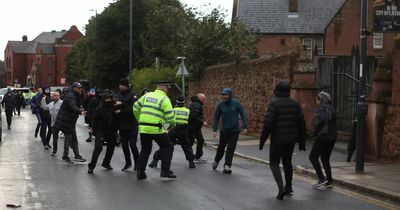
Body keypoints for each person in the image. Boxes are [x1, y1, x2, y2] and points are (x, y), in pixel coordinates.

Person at [259, 80, 306, 200]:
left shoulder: (273, 103)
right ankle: (289, 187)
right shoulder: (295, 104)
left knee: (274, 163)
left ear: (277, 91)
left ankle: (281, 189)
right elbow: (301, 123)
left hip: (278, 140)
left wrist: (262, 141)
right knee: (287, 163)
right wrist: (302, 142)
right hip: (291, 140)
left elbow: (268, 124)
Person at [133, 81, 177, 180]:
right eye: (168, 89)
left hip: (143, 128)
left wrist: (139, 119)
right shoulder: (164, 99)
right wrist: (174, 124)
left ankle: (140, 172)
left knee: (145, 149)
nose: (168, 91)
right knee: (168, 146)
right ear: (164, 88)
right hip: (156, 128)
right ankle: (165, 171)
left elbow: (135, 107)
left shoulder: (147, 95)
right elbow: (170, 116)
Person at [149, 96, 196, 169]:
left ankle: (154, 161)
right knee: (187, 147)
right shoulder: (188, 110)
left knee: (165, 146)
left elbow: (169, 119)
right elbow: (190, 121)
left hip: (174, 130)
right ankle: (191, 163)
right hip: (183, 131)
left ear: (177, 102)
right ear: (184, 103)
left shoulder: (173, 110)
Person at [212, 88, 247, 174]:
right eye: (223, 95)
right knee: (221, 147)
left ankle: (227, 166)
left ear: (230, 95)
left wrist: (245, 126)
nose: (224, 97)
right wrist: (214, 130)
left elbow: (243, 114)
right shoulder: (220, 105)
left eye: (226, 95)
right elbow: (216, 118)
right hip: (224, 131)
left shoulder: (236, 103)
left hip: (235, 130)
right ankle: (217, 160)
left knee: (231, 148)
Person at [309, 91, 337, 189]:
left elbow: (320, 121)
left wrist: (315, 133)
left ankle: (322, 178)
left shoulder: (321, 108)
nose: (316, 102)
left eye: (317, 99)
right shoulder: (331, 108)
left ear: (320, 99)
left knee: (312, 157)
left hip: (323, 136)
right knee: (325, 159)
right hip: (332, 138)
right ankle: (329, 181)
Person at [55, 82, 87, 164]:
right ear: (74, 88)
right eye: (79, 88)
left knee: (74, 138)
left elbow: (81, 101)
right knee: (68, 138)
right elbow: (72, 106)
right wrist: (80, 112)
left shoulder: (76, 94)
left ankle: (77, 156)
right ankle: (65, 156)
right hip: (65, 121)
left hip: (70, 121)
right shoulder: (70, 96)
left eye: (81, 88)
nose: (80, 89)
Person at [88, 92, 118, 174]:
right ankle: (91, 166)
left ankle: (106, 163)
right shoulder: (99, 109)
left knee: (111, 148)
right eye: (106, 99)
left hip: (112, 130)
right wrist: (92, 129)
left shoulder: (114, 108)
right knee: (98, 148)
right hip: (100, 130)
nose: (108, 100)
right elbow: (94, 120)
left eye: (110, 99)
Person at [115, 78, 139, 171]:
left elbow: (133, 108)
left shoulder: (133, 95)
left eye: (123, 85)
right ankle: (128, 162)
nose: (120, 87)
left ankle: (137, 163)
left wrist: (121, 109)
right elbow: (115, 105)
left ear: (127, 86)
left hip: (132, 124)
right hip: (122, 124)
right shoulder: (118, 95)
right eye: (120, 85)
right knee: (124, 145)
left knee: (133, 145)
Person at [41, 91, 63, 156]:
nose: (56, 97)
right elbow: (45, 108)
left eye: (58, 95)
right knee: (55, 138)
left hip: (62, 123)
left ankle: (72, 148)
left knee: (68, 138)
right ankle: (54, 151)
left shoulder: (62, 103)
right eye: (55, 95)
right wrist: (43, 100)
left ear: (59, 96)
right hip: (54, 124)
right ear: (52, 97)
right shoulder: (51, 104)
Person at [188, 93, 207, 164]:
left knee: (190, 142)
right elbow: (194, 116)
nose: (204, 100)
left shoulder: (195, 103)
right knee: (200, 141)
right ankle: (196, 157)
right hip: (194, 127)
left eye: (204, 98)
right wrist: (202, 122)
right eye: (203, 98)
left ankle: (192, 157)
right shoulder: (196, 104)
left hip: (193, 127)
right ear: (199, 98)